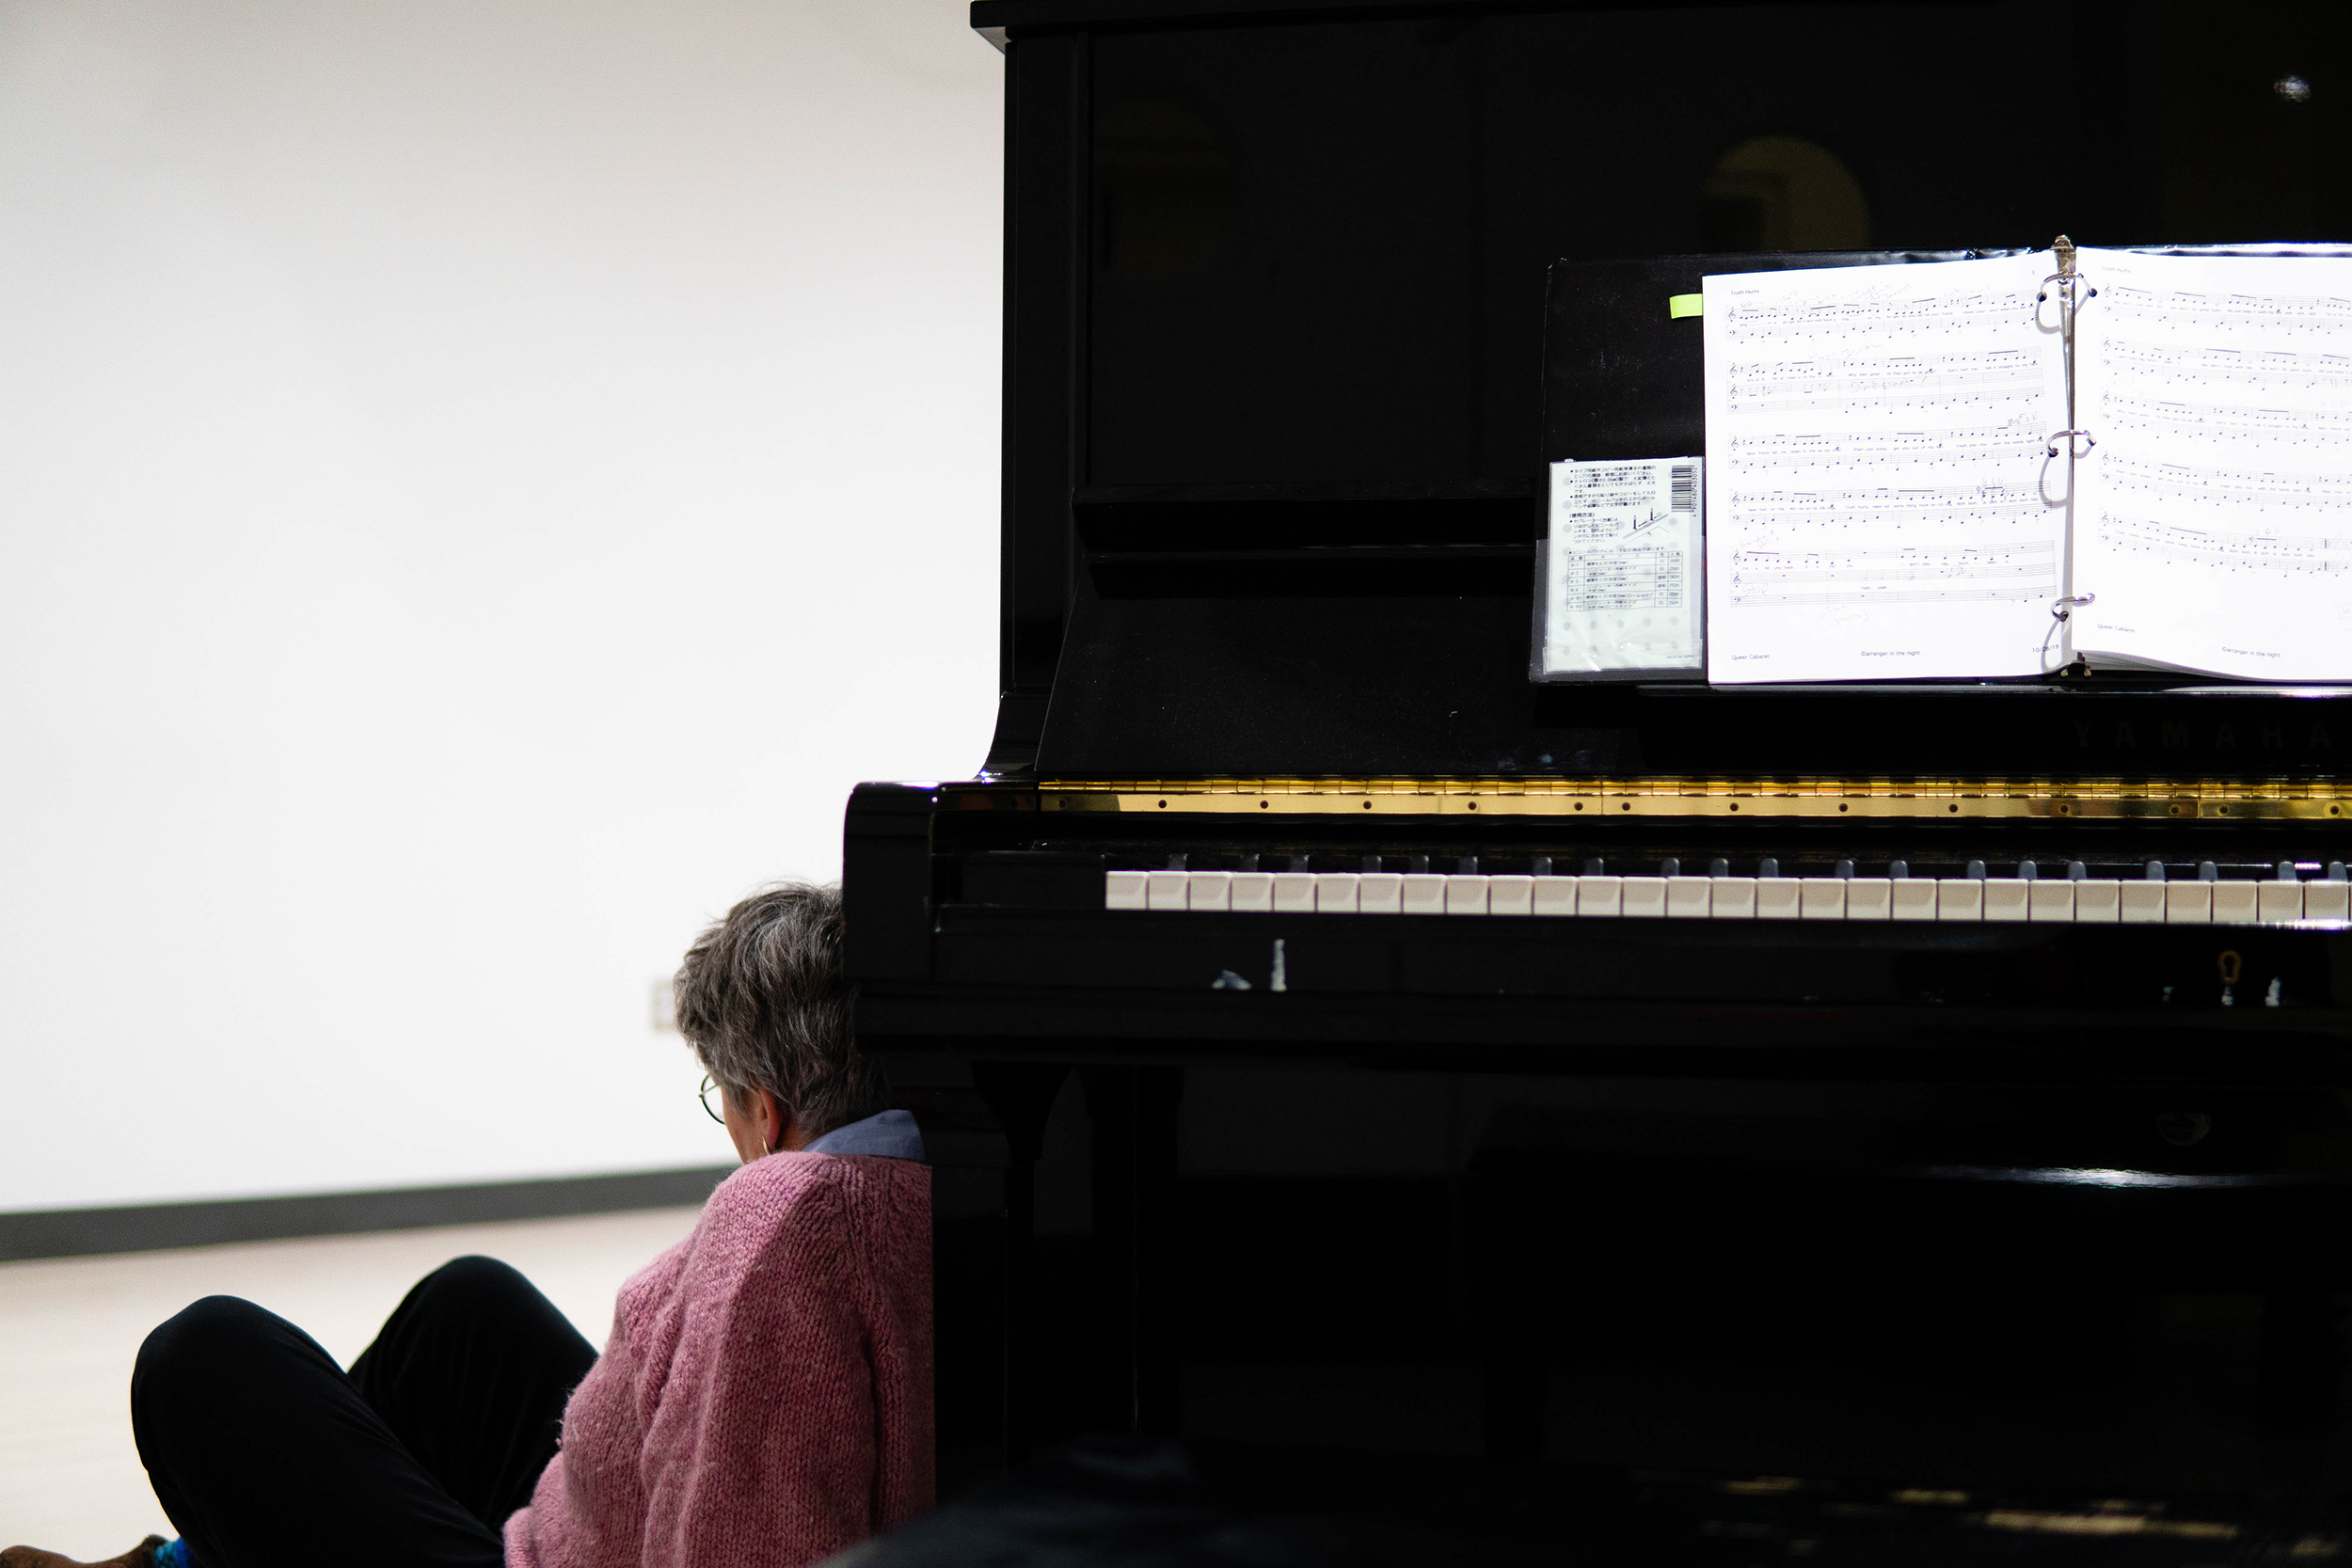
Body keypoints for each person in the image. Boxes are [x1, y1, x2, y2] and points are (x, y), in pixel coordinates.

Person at [3, 882, 932, 1568]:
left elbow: (759, 1532)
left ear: (764, 1111)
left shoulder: (782, 1216)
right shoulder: (919, 1168)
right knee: (467, 1306)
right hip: (603, 1514)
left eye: (720, 1103)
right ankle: (198, 1560)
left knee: (201, 1356)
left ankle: (189, 1563)